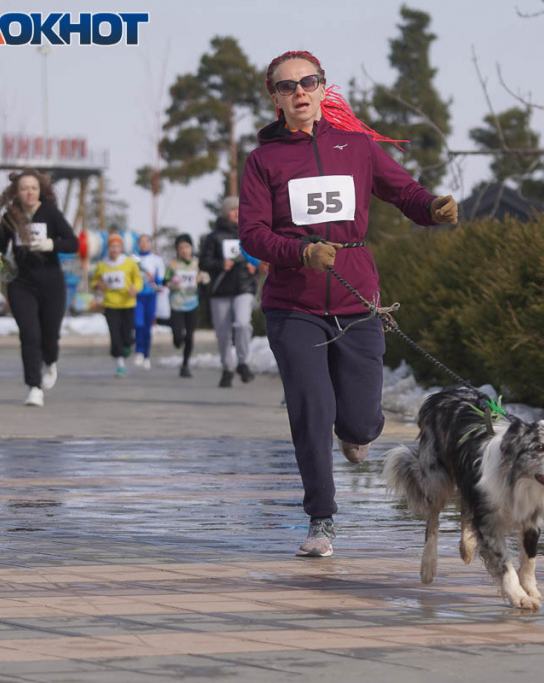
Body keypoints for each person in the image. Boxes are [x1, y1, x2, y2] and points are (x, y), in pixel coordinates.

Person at [239, 50, 458, 558]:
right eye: (287, 86)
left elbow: (403, 192)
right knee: (311, 409)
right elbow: (251, 234)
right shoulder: (263, 161)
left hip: (358, 297)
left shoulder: (356, 146)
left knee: (360, 424)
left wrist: (432, 208)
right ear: (274, 97)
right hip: (293, 303)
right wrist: (301, 252)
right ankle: (321, 519)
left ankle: (355, 431)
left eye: (307, 83)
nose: (299, 93)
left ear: (321, 88)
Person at [0, 169, 79, 407]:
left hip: (51, 282)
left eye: (33, 188)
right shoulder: (11, 216)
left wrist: (52, 244)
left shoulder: (50, 213)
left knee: (49, 334)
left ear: (40, 190)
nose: (29, 192)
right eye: (24, 188)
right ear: (16, 192)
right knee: (30, 335)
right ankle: (34, 387)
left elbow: (74, 243)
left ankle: (50, 361)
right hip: (21, 283)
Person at [199, 196, 258, 388]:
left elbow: (261, 256)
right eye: (233, 210)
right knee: (223, 333)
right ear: (225, 213)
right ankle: (227, 368)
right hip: (220, 290)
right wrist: (219, 264)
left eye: (239, 210)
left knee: (242, 324)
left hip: (244, 287)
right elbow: (203, 263)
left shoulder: (250, 233)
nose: (237, 213)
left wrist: (254, 267)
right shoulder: (213, 237)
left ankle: (243, 362)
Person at [92, 233, 143, 377]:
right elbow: (94, 281)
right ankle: (120, 364)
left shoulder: (129, 263)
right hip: (110, 304)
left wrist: (135, 288)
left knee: (127, 335)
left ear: (121, 248)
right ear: (108, 248)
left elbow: (138, 280)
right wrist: (98, 285)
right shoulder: (102, 265)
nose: (114, 249)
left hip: (127, 303)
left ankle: (127, 345)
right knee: (115, 335)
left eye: (117, 246)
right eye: (112, 246)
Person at [163, 234, 208, 377]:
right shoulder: (173, 265)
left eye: (186, 247)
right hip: (176, 303)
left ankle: (185, 364)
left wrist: (201, 280)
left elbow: (207, 280)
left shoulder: (198, 264)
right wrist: (170, 284)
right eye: (180, 248)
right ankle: (177, 340)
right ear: (177, 250)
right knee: (178, 336)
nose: (184, 250)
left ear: (191, 248)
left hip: (192, 304)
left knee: (189, 336)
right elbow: (165, 281)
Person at [132, 234, 165, 370]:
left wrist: (154, 282)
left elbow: (160, 281)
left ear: (150, 244)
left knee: (147, 327)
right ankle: (139, 351)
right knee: (138, 324)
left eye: (146, 242)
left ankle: (146, 355)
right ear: (138, 244)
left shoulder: (156, 260)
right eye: (141, 242)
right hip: (137, 296)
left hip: (151, 297)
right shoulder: (133, 259)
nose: (144, 244)